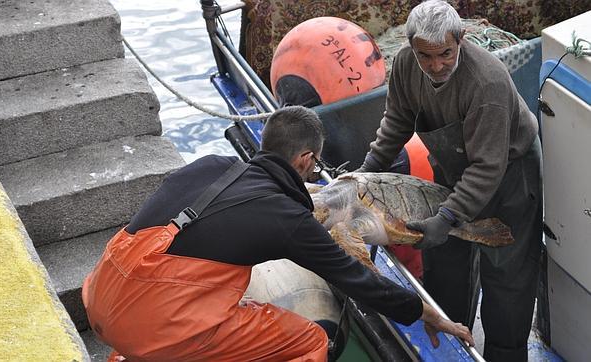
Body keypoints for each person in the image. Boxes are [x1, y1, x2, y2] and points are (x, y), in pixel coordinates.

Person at [82, 105, 473, 361]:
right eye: (315, 163)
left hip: (103, 292)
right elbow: (357, 280)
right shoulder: (286, 217)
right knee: (310, 343)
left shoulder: (209, 165)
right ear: (306, 159)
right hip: (153, 319)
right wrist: (427, 314)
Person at [356, 1, 543, 360]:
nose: (436, 65)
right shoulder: (408, 66)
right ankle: (449, 346)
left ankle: (505, 353)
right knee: (444, 268)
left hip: (509, 176)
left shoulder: (486, 82)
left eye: (445, 53)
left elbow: (488, 167)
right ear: (411, 47)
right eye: (425, 55)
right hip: (450, 167)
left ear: (461, 39)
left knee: (506, 280)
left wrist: (447, 218)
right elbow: (396, 121)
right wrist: (366, 172)